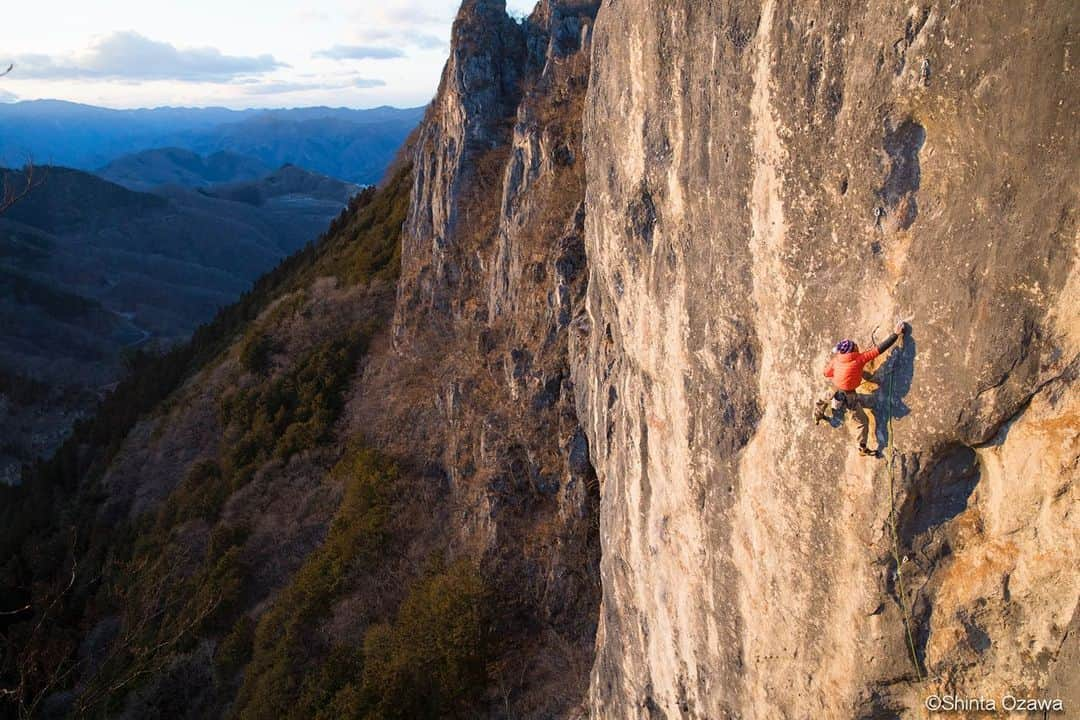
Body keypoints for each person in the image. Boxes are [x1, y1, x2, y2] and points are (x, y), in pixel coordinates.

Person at [815, 321, 908, 456]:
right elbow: (879, 350)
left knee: (823, 400)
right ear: (855, 350)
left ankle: (818, 414)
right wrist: (895, 334)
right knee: (863, 422)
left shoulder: (836, 360)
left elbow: (826, 373)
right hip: (850, 397)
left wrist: (842, 373)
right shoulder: (859, 359)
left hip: (835, 389)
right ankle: (862, 447)